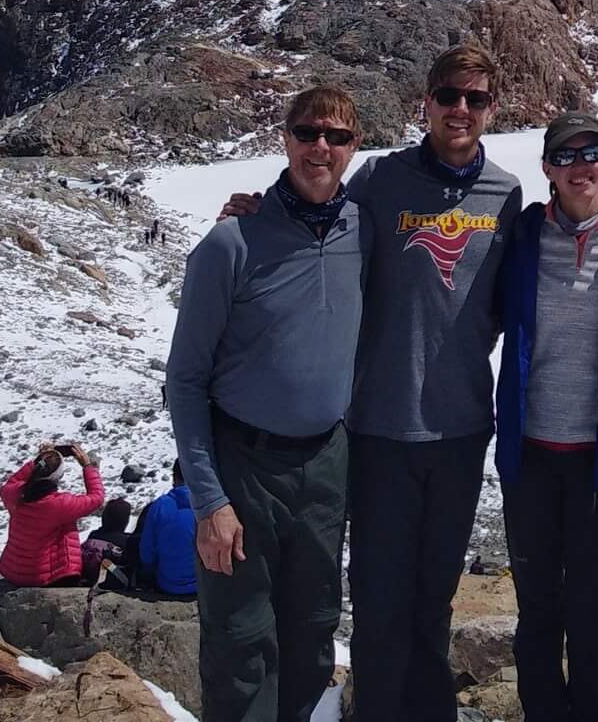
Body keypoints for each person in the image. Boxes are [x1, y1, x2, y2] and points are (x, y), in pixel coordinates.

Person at [169, 84, 367, 722]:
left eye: (337, 137)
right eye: (308, 132)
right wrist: (210, 502)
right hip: (244, 467)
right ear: (285, 139)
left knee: (312, 633)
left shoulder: (364, 230)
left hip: (324, 465)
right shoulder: (231, 243)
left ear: (354, 148)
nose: (321, 147)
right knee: (240, 641)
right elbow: (185, 380)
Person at [343, 46, 522, 722]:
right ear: (426, 100)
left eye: (476, 100)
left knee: (434, 597)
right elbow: (317, 230)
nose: (461, 110)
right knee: (379, 598)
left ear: (492, 110)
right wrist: (256, 211)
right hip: (381, 426)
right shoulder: (381, 180)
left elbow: (511, 301)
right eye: (449, 96)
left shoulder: (505, 195)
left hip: (460, 429)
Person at [494, 113, 598, 722]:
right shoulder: (522, 237)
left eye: (592, 153)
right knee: (538, 599)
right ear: (547, 169)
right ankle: (542, 708)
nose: (580, 166)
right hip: (530, 449)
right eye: (566, 157)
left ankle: (589, 706)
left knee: (592, 599)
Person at [0, 442, 105, 587]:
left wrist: (41, 460)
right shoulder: (59, 504)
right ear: (58, 477)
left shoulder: (14, 494)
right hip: (46, 577)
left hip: (13, 571)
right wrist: (88, 467)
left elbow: (12, 482)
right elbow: (97, 498)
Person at [131, 462, 199, 600]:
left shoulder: (160, 505)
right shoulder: (209, 505)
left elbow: (147, 551)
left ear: (175, 477)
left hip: (167, 584)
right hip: (202, 585)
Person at [82, 500, 136, 587]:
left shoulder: (94, 535)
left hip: (88, 580)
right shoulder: (127, 541)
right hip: (115, 585)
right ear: (125, 521)